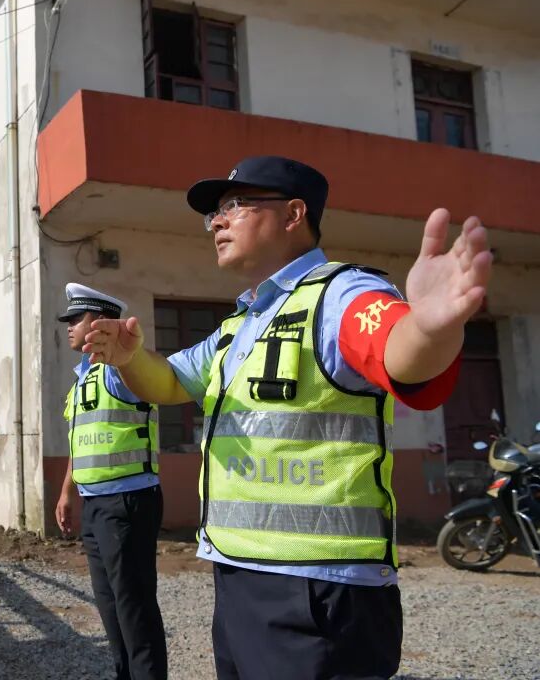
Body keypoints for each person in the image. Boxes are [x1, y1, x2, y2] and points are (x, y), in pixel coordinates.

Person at [83, 156, 491, 680]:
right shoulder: (242, 323)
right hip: (239, 572)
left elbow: (399, 352)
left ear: (294, 213)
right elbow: (169, 383)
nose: (217, 221)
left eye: (235, 205)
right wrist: (129, 358)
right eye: (213, 213)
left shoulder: (341, 294)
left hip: (319, 593)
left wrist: (433, 330)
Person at [55, 283, 168, 680]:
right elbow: (79, 440)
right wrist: (67, 493)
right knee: (111, 610)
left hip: (128, 502)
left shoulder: (121, 371)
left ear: (101, 321)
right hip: (95, 506)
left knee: (134, 610)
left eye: (76, 318)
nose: (69, 325)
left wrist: (127, 353)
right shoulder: (82, 380)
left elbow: (154, 372)